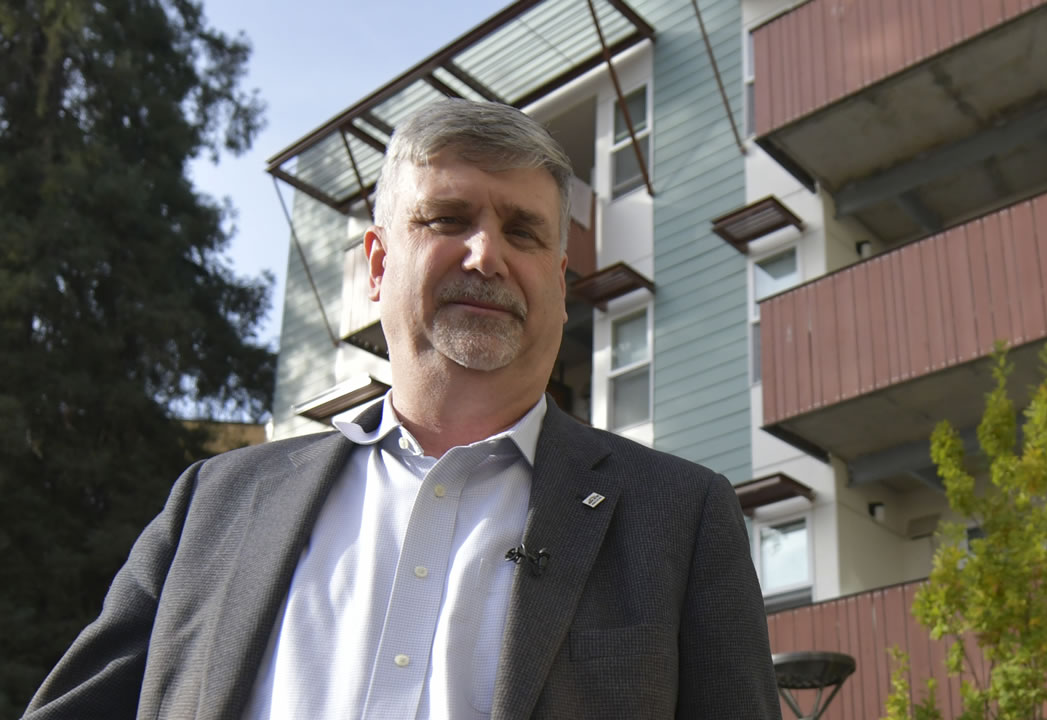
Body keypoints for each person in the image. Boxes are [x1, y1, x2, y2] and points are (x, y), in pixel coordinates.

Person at [25, 99, 781, 719]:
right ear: (381, 263)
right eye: (448, 219)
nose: (487, 255)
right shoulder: (213, 505)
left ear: (557, 279)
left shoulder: (681, 519)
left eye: (522, 232)